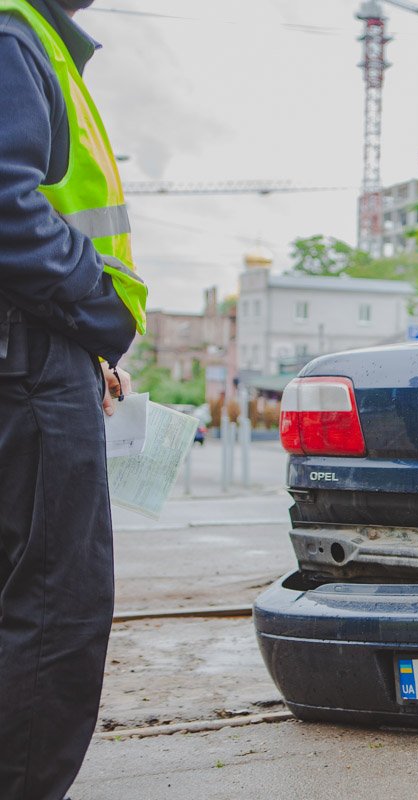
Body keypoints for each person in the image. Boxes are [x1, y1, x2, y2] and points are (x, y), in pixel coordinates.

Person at [0, 1, 146, 798]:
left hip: (33, 348)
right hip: (29, 360)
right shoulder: (14, 35)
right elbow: (6, 204)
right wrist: (98, 309)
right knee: (56, 608)